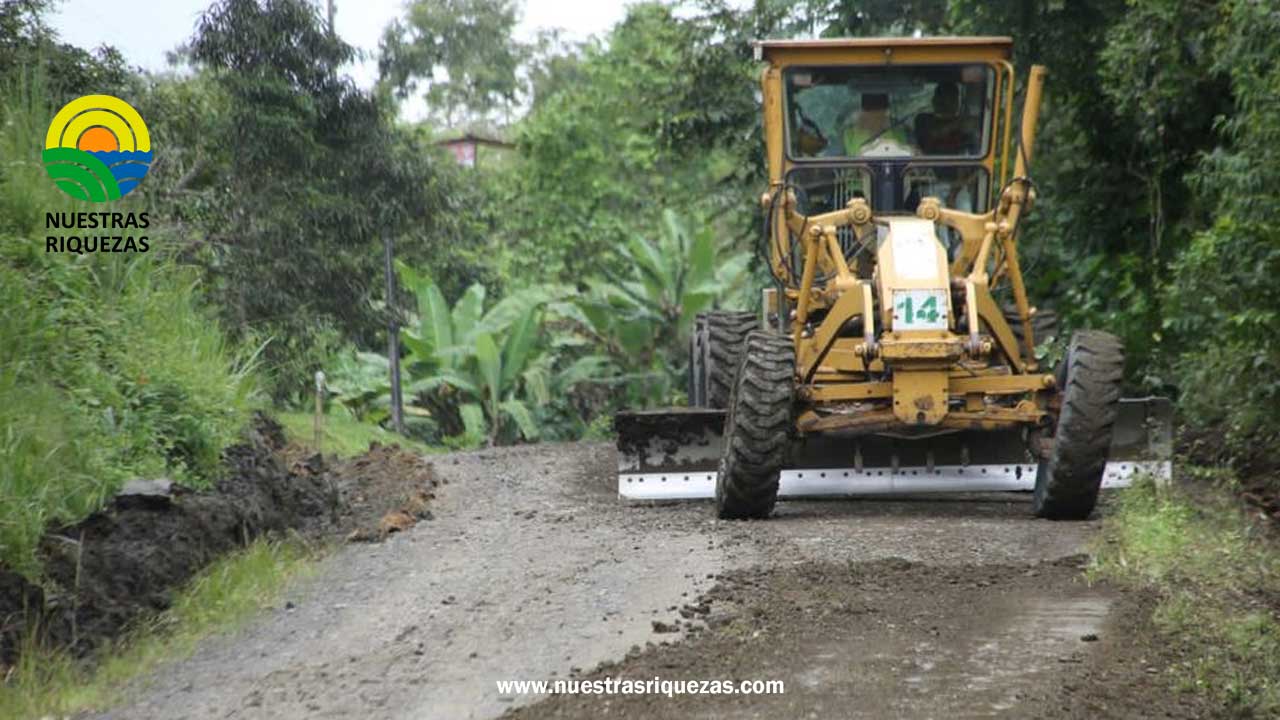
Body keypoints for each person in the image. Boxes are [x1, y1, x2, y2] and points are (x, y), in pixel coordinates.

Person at [841, 93, 911, 157]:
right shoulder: (849, 134)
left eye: (878, 112)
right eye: (870, 111)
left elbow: (914, 156)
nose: (874, 116)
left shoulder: (899, 130)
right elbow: (836, 160)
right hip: (857, 170)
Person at [916, 82, 976, 155]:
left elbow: (973, 147)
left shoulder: (966, 123)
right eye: (948, 98)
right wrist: (958, 123)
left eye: (954, 98)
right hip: (928, 163)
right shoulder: (923, 119)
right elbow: (931, 135)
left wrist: (972, 129)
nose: (954, 102)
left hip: (961, 163)